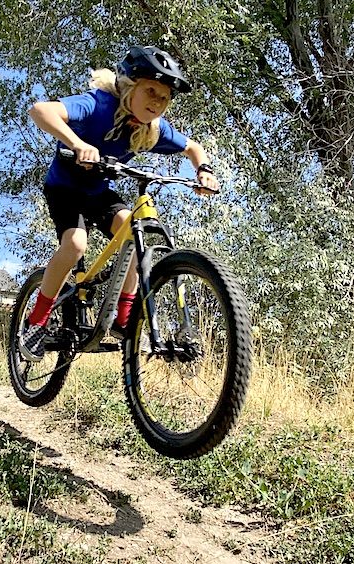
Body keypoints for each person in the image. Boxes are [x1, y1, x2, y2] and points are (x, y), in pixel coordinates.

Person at [18, 45, 220, 362]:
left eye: (164, 98)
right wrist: (78, 143)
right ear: (129, 86)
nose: (157, 102)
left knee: (133, 229)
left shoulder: (153, 129)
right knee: (75, 244)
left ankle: (122, 317)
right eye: (151, 91)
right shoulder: (98, 105)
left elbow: (193, 148)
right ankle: (36, 321)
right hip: (65, 188)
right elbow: (40, 111)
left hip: (99, 191)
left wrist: (204, 170)